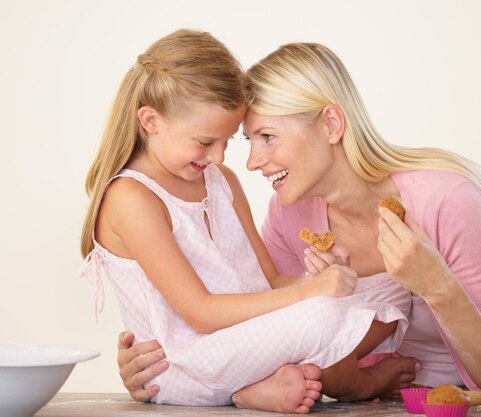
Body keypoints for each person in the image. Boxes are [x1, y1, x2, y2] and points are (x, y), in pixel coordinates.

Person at [116, 40, 481, 400]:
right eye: (248, 141)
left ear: (332, 125)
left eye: (268, 137)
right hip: (391, 402)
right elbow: (269, 334)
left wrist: (437, 286)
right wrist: (162, 366)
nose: (251, 161)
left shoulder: (445, 199)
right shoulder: (290, 211)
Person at [80, 29, 419, 414]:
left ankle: (259, 386)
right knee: (321, 314)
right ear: (151, 121)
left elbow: (269, 281)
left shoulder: (221, 181)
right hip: (184, 364)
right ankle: (355, 384)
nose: (221, 157)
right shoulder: (132, 198)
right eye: (206, 141)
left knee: (390, 287)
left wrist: (326, 279)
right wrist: (310, 294)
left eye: (228, 141)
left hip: (243, 340)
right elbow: (201, 313)